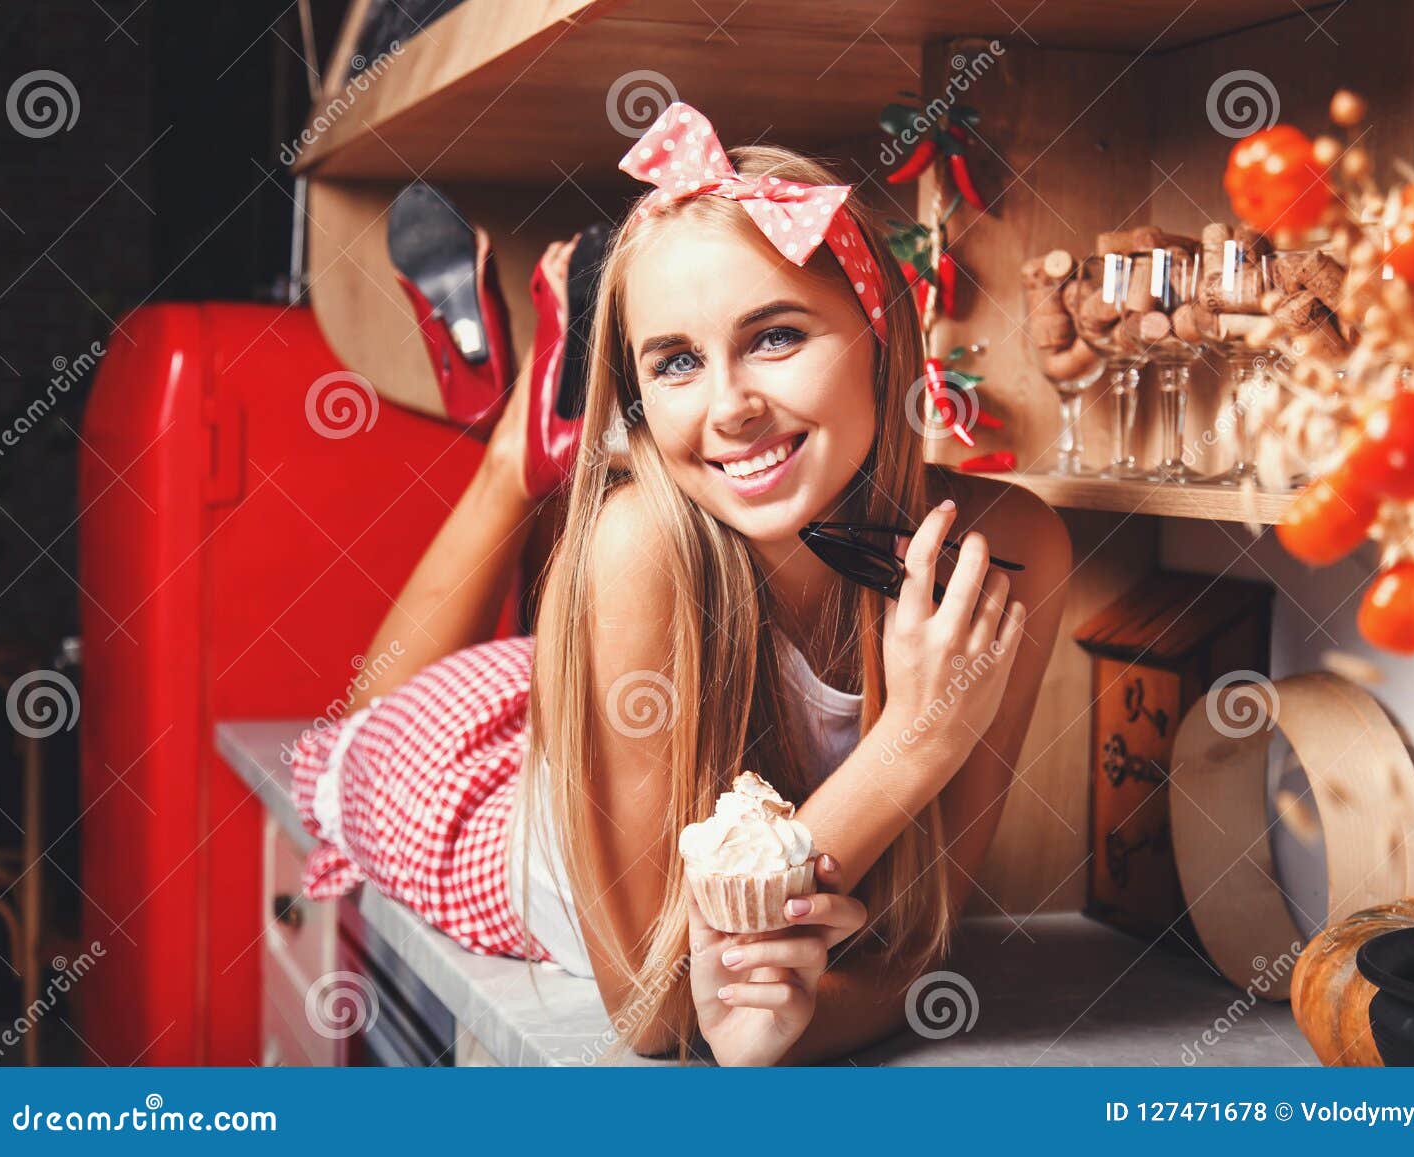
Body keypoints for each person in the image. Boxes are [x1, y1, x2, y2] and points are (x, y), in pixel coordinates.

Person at [290, 103, 1070, 1066]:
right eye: (676, 362)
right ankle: (513, 457)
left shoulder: (1014, 546)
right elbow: (652, 1012)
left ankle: (534, 427)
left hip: (608, 719)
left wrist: (775, 1026)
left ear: (883, 337)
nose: (731, 409)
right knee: (356, 737)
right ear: (641, 398)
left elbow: (913, 949)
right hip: (492, 817)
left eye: (777, 336)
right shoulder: (635, 547)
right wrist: (916, 738)